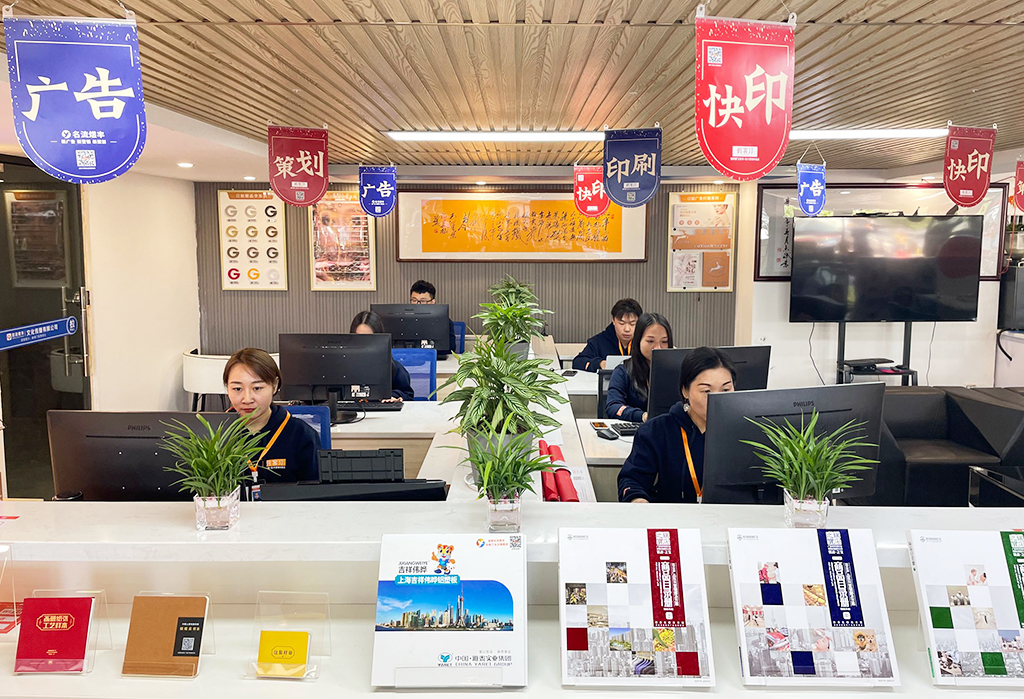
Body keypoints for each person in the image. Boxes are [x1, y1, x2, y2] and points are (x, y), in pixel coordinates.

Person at [617, 347, 736, 503]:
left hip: (732, 516)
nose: (717, 398)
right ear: (685, 391)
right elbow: (632, 480)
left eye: (726, 389)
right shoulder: (657, 431)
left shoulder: (745, 431)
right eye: (706, 391)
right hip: (672, 516)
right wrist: (638, 500)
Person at [223, 348, 320, 483]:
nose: (247, 399)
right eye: (237, 389)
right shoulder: (215, 434)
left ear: (274, 385)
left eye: (257, 388)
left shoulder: (301, 434)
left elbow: (316, 491)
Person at [605, 313, 673, 423]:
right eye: (650, 341)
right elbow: (613, 407)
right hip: (636, 428)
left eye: (664, 342)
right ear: (638, 341)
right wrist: (642, 416)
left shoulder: (677, 371)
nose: (658, 348)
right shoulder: (623, 371)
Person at [350, 311, 414, 401]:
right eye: (359, 338)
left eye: (369, 338)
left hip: (382, 409)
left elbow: (407, 395)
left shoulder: (393, 367)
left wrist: (393, 397)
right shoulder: (343, 366)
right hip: (352, 409)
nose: (363, 343)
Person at [573, 298, 643, 372]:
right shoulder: (599, 341)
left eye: (632, 324)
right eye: (621, 323)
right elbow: (578, 362)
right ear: (613, 320)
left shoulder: (645, 340)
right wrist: (600, 363)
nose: (627, 329)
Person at [410, 279, 458, 354]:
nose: (418, 304)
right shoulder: (403, 321)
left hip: (436, 359)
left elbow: (450, 349)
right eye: (414, 300)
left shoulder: (445, 323)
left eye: (423, 301)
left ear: (432, 302)